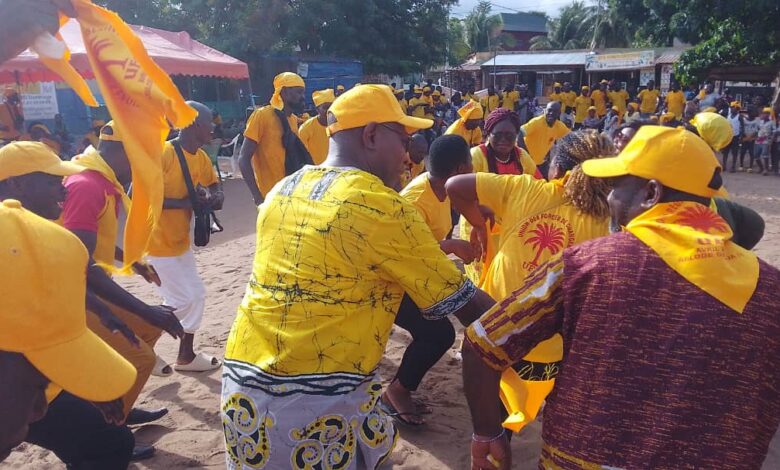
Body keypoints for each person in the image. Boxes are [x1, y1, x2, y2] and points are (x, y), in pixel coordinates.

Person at [462, 126, 780, 470]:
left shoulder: (588, 266)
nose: (609, 196)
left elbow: (483, 341)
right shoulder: (770, 289)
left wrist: (487, 432)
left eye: (616, 185)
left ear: (651, 193)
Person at [220, 85, 495, 470]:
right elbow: (473, 311)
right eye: (403, 140)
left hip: (242, 393)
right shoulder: (380, 205)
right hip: (312, 407)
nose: (407, 155)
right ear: (370, 135)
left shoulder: (284, 189)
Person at [448, 130, 613, 435]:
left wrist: (478, 224)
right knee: (542, 417)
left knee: (496, 426)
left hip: (502, 334)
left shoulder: (524, 188)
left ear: (556, 169)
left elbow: (454, 185)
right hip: (555, 351)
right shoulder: (608, 218)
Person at [0, 142, 140, 468]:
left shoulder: (36, 238)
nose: (61, 188)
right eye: (51, 180)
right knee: (107, 441)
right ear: (16, 184)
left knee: (107, 439)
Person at [60, 122, 184, 420]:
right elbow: (78, 261)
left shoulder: (101, 179)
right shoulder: (87, 186)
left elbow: (86, 239)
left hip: (85, 283)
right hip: (72, 294)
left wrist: (129, 260)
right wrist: (146, 308)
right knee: (141, 358)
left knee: (150, 327)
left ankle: (118, 405)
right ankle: (107, 432)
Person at [385, 135, 479, 426]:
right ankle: (396, 392)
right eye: (471, 163)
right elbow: (401, 250)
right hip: (390, 282)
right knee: (438, 334)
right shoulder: (415, 200)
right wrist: (451, 247)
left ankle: (400, 388)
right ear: (461, 168)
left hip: (415, 277)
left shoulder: (444, 189)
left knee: (440, 328)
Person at [146, 102, 224, 372]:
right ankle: (138, 347)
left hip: (179, 242)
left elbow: (214, 184)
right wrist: (188, 204)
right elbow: (138, 195)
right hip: (156, 242)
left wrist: (215, 197)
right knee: (182, 300)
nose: (214, 126)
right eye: (209, 122)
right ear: (193, 124)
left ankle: (185, 356)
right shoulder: (165, 153)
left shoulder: (200, 156)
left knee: (197, 295)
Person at [239, 72, 307, 206]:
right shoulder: (261, 116)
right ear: (285, 92)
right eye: (299, 92)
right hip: (270, 199)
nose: (302, 97)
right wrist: (257, 197)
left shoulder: (292, 120)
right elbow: (243, 159)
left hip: (292, 195)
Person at [519, 101, 570, 169]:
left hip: (539, 162)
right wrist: (526, 155)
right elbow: (519, 133)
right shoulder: (536, 122)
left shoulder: (559, 126)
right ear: (545, 111)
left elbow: (572, 137)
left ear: (559, 113)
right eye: (549, 110)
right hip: (525, 162)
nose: (551, 113)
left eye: (555, 111)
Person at [298, 89, 335, 165]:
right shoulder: (306, 128)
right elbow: (301, 154)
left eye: (331, 106)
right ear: (317, 109)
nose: (329, 110)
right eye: (325, 108)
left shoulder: (339, 125)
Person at [722, 101, 744, 172]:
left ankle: (733, 166)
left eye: (733, 108)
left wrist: (741, 137)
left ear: (737, 109)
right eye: (731, 107)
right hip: (728, 136)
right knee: (725, 152)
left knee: (734, 152)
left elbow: (742, 127)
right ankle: (724, 165)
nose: (732, 109)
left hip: (735, 136)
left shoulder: (740, 117)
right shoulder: (728, 115)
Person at [756, 107, 776, 175]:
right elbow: (758, 130)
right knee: (756, 155)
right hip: (759, 140)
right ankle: (761, 167)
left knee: (765, 155)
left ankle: (766, 169)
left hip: (766, 140)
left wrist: (771, 140)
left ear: (768, 114)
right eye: (763, 113)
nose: (764, 114)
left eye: (766, 113)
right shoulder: (760, 121)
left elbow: (774, 132)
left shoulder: (772, 122)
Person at [740, 106, 760, 173]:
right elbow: (742, 128)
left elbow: (756, 130)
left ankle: (750, 167)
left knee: (751, 153)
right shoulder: (744, 119)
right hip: (745, 138)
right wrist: (745, 136)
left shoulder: (756, 120)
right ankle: (741, 165)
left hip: (751, 139)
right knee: (742, 152)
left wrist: (750, 137)